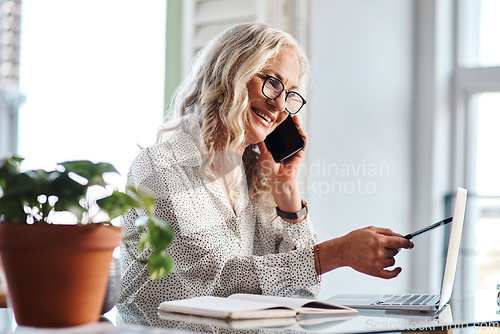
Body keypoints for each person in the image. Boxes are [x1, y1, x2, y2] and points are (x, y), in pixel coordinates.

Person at [119, 23, 413, 305]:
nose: (280, 105)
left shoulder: (246, 179)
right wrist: (336, 253)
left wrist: (287, 193)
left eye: (290, 93)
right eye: (273, 82)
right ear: (232, 72)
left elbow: (303, 288)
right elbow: (213, 282)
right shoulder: (160, 168)